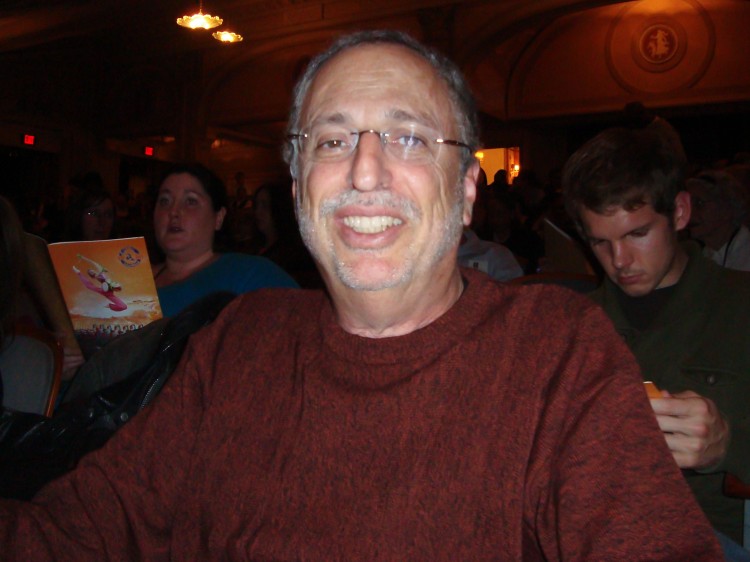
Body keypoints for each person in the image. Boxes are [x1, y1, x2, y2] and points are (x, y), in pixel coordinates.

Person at [0, 30, 722, 560]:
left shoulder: (556, 351)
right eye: (333, 141)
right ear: (296, 186)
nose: (366, 173)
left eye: (409, 140)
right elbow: (80, 531)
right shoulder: (242, 341)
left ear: (467, 189)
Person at [562, 125, 750, 552]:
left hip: (702, 535)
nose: (620, 261)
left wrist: (728, 444)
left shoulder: (741, 306)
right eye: (600, 243)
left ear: (680, 213)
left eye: (637, 234)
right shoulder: (573, 325)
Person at [150, 163, 299, 317]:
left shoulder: (250, 273)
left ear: (219, 217)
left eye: (191, 201)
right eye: (164, 201)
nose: (173, 211)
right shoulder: (133, 279)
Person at [687, 169, 750, 271]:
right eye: (688, 204)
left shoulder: (746, 255)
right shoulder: (701, 255)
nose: (689, 212)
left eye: (699, 203)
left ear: (727, 208)